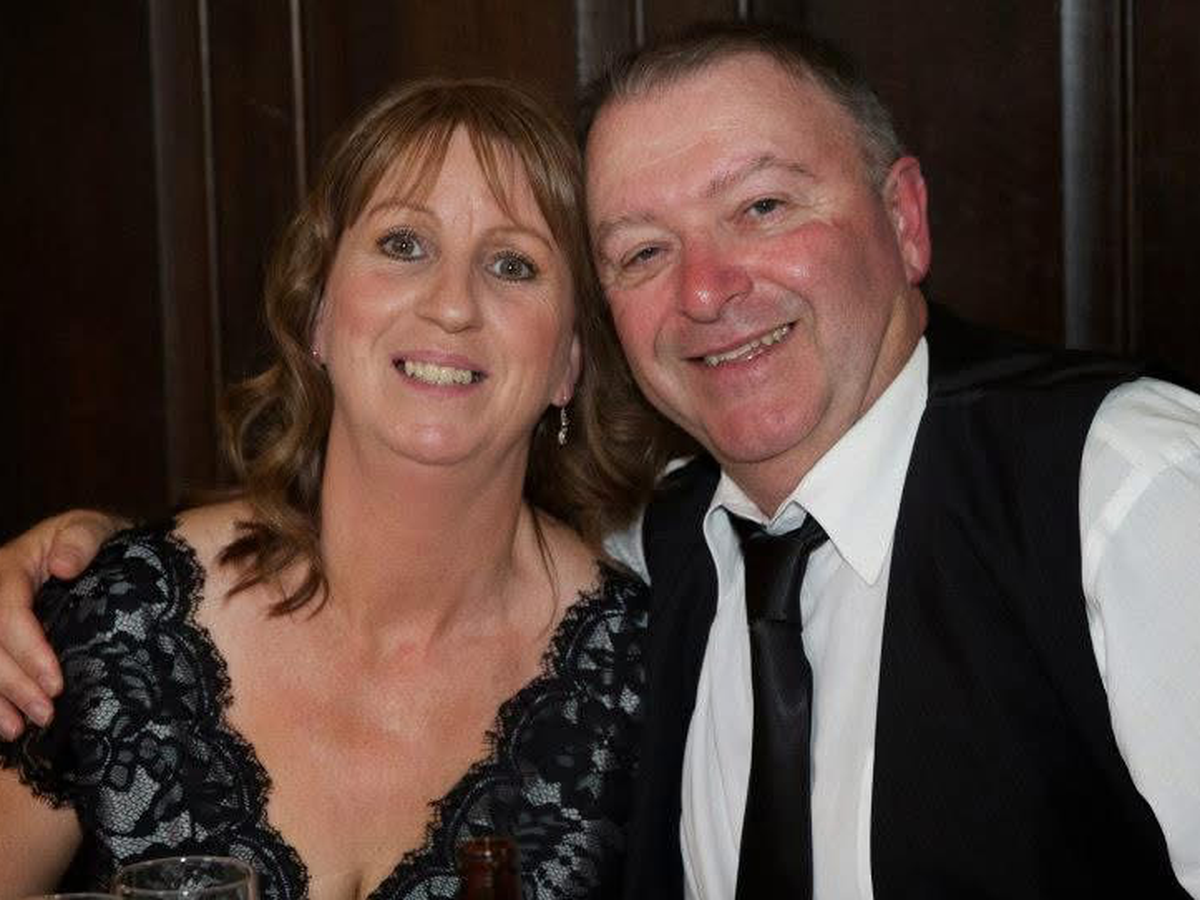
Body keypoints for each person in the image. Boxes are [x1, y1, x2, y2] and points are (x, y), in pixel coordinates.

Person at [3, 20, 1200, 900]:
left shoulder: (1124, 493)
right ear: (317, 315)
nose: (708, 289)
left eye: (763, 206)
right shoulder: (682, 554)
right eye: (643, 250)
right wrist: (55, 565)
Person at [0, 76, 672, 899]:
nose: (453, 305)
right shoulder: (120, 619)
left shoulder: (649, 682)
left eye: (513, 264)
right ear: (318, 311)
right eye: (404, 245)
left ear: (569, 359)